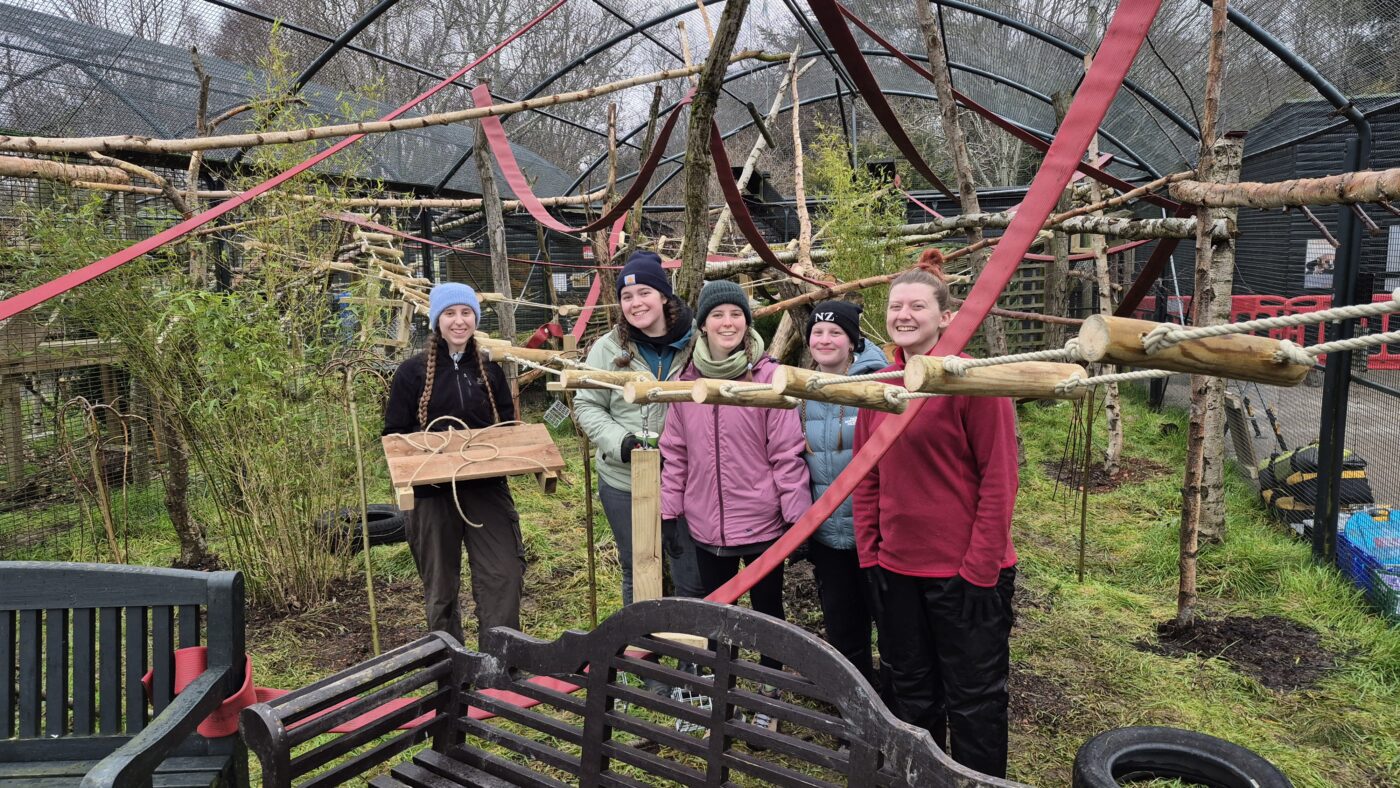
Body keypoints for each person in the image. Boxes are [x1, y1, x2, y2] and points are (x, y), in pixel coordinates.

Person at [852, 251, 1019, 778]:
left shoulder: (971, 381)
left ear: (945, 316)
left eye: (916, 306)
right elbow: (866, 476)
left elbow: (999, 480)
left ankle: (976, 779)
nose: (903, 315)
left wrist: (980, 569)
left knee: (973, 697)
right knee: (911, 692)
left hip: (965, 575)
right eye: (895, 306)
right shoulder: (880, 386)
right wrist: (870, 556)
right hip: (897, 571)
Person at [660, 280, 812, 724]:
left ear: (747, 323)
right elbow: (675, 453)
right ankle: (716, 697)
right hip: (706, 526)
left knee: (768, 615)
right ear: (703, 325)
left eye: (736, 314)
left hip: (763, 526)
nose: (728, 322)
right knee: (716, 617)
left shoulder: (768, 379)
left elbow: (787, 454)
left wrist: (796, 521)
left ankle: (769, 696)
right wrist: (670, 514)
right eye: (717, 315)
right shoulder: (685, 383)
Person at [382, 282, 523, 647]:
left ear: (475, 318)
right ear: (437, 321)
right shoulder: (411, 374)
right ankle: (448, 660)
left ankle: (501, 656)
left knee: (502, 574)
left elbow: (507, 427)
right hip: (431, 495)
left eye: (465, 313)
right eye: (450, 314)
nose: (459, 321)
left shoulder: (490, 373)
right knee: (441, 585)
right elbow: (395, 434)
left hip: (485, 489)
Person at [575, 251, 704, 606]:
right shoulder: (608, 348)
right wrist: (622, 443)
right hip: (624, 479)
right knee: (638, 567)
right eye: (626, 296)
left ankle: (691, 655)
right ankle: (642, 649)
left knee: (690, 572)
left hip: (688, 478)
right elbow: (587, 404)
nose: (635, 303)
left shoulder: (697, 344)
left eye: (644, 292)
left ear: (664, 295)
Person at [798, 300, 888, 688]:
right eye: (818, 332)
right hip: (826, 536)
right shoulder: (800, 391)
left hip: (876, 535)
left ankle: (896, 707)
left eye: (836, 332)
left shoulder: (881, 383)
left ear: (853, 341)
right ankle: (853, 707)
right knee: (843, 630)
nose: (825, 339)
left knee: (891, 628)